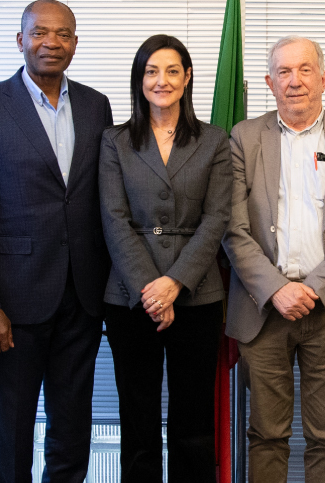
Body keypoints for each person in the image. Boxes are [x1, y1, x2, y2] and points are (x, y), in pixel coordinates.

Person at [0, 0, 114, 483]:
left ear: (75, 43)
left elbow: (103, 199)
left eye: (63, 34)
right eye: (40, 32)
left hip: (82, 296)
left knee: (73, 426)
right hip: (13, 302)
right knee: (14, 429)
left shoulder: (96, 105)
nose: (51, 42)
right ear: (20, 40)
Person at [223, 35, 325, 483]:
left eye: (305, 69)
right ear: (269, 83)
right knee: (266, 435)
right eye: (284, 72)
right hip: (263, 309)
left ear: (324, 78)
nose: (295, 81)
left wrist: (313, 289)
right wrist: (277, 289)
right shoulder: (244, 137)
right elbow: (232, 227)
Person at [98, 34, 231, 482]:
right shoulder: (115, 141)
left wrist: (174, 283)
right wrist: (151, 289)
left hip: (197, 294)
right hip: (129, 297)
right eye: (151, 71)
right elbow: (114, 219)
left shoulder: (214, 140)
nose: (162, 80)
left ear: (187, 77)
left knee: (194, 423)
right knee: (138, 420)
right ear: (139, 79)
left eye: (172, 71)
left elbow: (216, 219)